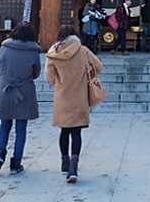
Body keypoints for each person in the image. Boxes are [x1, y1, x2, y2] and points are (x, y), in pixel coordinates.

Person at [46, 24, 103, 183]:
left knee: (64, 131)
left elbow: (50, 77)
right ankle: (73, 167)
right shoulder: (82, 50)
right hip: (79, 96)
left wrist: (60, 80)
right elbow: (98, 66)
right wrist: (86, 75)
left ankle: (64, 163)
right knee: (76, 132)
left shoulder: (54, 52)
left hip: (62, 96)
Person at [0, 22, 41, 175]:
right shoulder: (33, 50)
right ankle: (16, 163)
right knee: (21, 129)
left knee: (5, 126)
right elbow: (36, 73)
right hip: (24, 91)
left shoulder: (5, 47)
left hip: (6, 89)